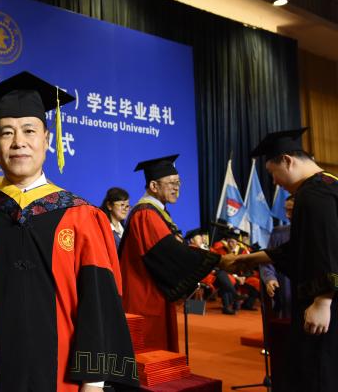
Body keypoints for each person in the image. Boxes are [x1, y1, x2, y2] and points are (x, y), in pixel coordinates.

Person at [0, 71, 138, 391]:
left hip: (62, 375)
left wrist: (94, 382)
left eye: (29, 131)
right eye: (6, 132)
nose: (18, 142)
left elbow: (99, 304)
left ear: (47, 140)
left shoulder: (80, 215)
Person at [233, 128, 338, 391]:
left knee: (317, 375)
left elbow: (326, 246)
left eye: (273, 173)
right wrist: (253, 258)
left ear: (288, 161)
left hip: (326, 307)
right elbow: (300, 248)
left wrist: (322, 300)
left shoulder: (313, 195)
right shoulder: (329, 184)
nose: (275, 182)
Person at [119, 155, 234, 351]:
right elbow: (169, 252)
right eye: (171, 183)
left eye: (178, 182)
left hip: (154, 292)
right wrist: (216, 260)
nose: (177, 188)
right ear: (154, 186)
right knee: (151, 354)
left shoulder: (156, 212)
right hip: (145, 295)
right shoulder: (145, 214)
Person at [260, 195, 293, 318]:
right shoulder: (278, 233)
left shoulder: (320, 233)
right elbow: (267, 260)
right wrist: (269, 278)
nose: (288, 215)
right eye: (286, 210)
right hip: (285, 290)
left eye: (292, 211)